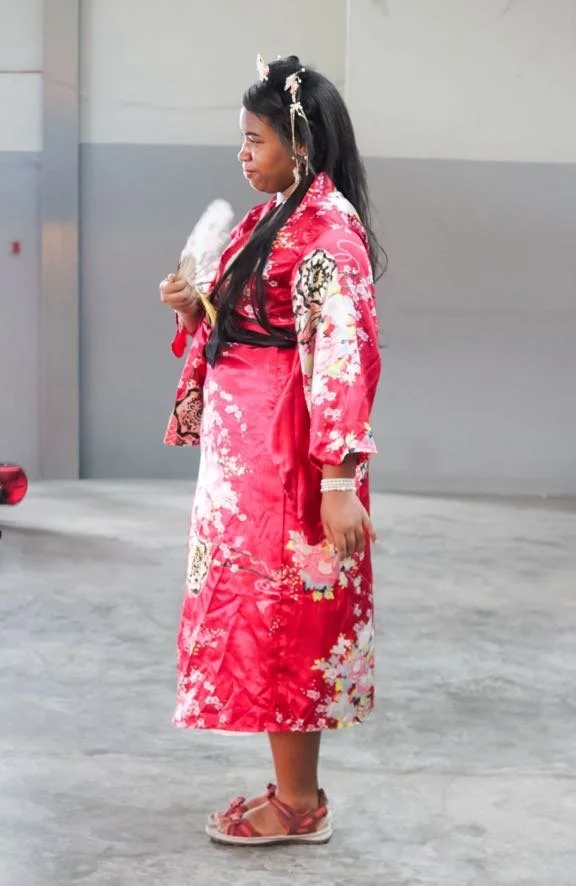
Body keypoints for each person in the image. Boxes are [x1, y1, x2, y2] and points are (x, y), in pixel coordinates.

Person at [160, 54, 384, 846]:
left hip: (290, 456)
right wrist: (195, 304)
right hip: (250, 455)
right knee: (262, 611)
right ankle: (292, 786)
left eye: (255, 139)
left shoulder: (327, 233)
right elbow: (239, 319)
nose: (243, 154)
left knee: (288, 613)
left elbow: (343, 353)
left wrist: (336, 477)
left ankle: (299, 803)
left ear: (301, 144)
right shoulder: (273, 216)